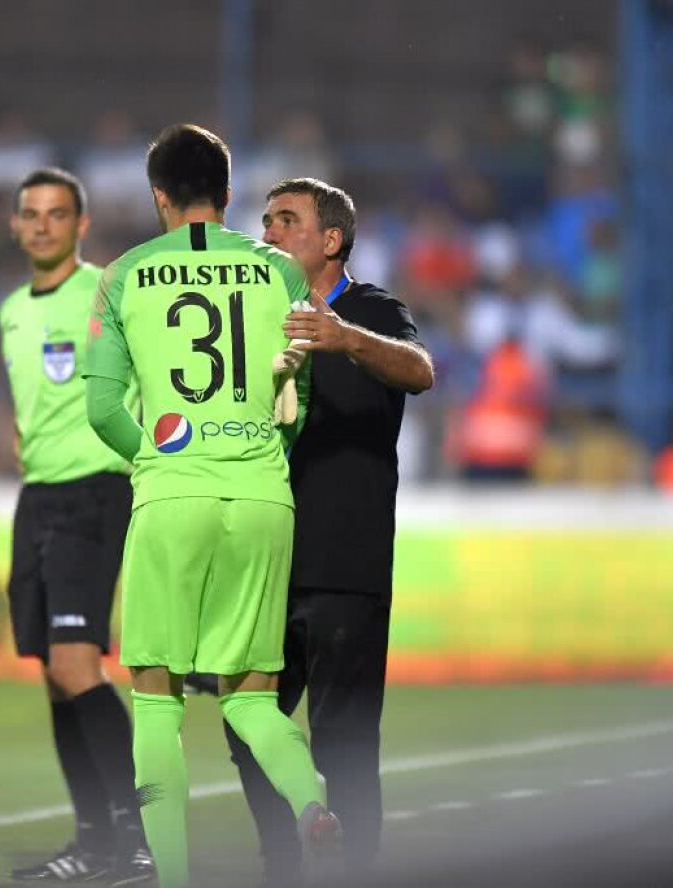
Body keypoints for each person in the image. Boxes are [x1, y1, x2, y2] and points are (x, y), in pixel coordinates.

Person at [82, 124, 340, 888]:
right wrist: (264, 461)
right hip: (263, 495)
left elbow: (100, 409)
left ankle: (174, 875)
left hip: (172, 494)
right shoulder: (282, 274)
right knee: (254, 698)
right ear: (228, 196)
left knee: (156, 700)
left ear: (157, 195)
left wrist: (159, 463)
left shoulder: (125, 274)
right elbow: (302, 399)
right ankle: (309, 805)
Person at [225, 177, 434, 886]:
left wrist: (345, 339)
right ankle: (283, 857)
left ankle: (357, 870)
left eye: (287, 220)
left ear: (331, 240)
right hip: (266, 559)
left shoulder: (373, 308)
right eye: (266, 220)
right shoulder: (254, 316)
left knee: (343, 741)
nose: (270, 231)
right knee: (245, 722)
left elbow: (421, 370)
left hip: (345, 559)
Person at [0, 167, 153, 884]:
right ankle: (94, 842)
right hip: (37, 495)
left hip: (95, 489)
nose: (40, 225)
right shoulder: (9, 310)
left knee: (75, 664)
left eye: (55, 214)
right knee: (55, 678)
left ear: (80, 225)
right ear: (14, 224)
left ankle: (134, 838)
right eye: (29, 214)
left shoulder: (104, 292)